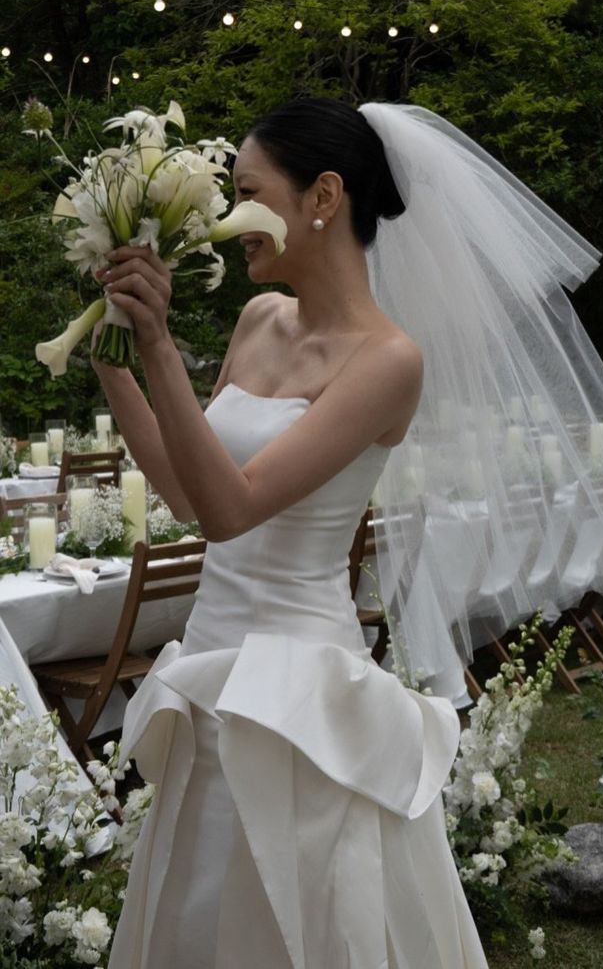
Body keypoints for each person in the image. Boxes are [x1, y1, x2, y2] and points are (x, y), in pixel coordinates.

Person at [97, 98, 490, 969]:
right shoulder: (258, 321)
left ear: (322, 197)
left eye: (245, 193)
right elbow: (191, 498)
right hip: (211, 659)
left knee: (306, 920)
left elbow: (238, 507)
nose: (227, 218)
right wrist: (114, 354)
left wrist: (162, 345)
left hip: (299, 690)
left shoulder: (387, 360)